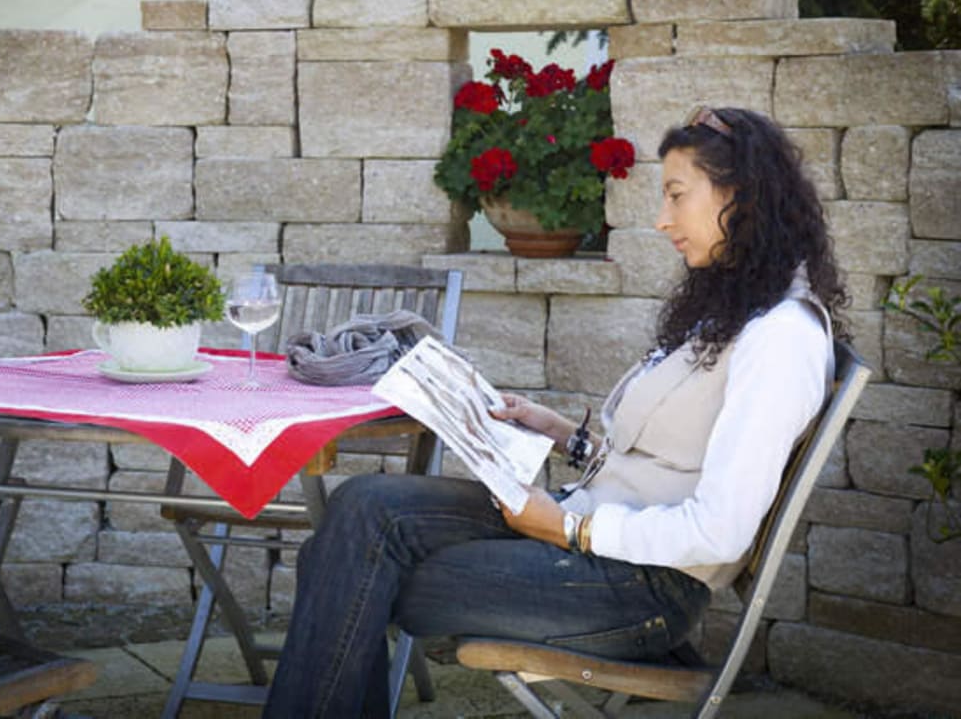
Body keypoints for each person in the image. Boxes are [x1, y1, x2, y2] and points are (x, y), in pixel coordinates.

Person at [262, 107, 850, 718]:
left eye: (677, 196)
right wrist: (563, 436)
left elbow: (720, 529)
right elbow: (668, 458)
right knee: (361, 507)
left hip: (633, 588)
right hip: (589, 534)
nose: (662, 219)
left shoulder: (780, 338)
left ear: (742, 195)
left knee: (344, 572)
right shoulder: (736, 304)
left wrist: (569, 530)